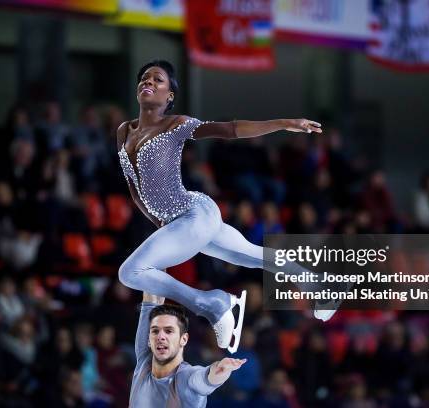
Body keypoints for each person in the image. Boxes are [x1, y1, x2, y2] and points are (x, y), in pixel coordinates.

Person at [117, 60, 329, 353]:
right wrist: (161, 229)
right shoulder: (124, 131)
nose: (148, 82)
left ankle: (212, 303)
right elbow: (135, 189)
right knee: (251, 256)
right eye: (144, 78)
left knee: (130, 272)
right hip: (181, 222)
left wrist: (282, 124)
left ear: (169, 96)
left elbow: (229, 130)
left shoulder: (175, 124)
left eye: (158, 79)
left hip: (194, 212)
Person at [130, 291, 246, 407]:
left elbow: (203, 380)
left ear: (183, 339)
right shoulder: (144, 359)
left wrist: (217, 373)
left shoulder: (185, 377)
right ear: (149, 340)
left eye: (169, 331)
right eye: (155, 331)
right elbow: (151, 296)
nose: (160, 337)